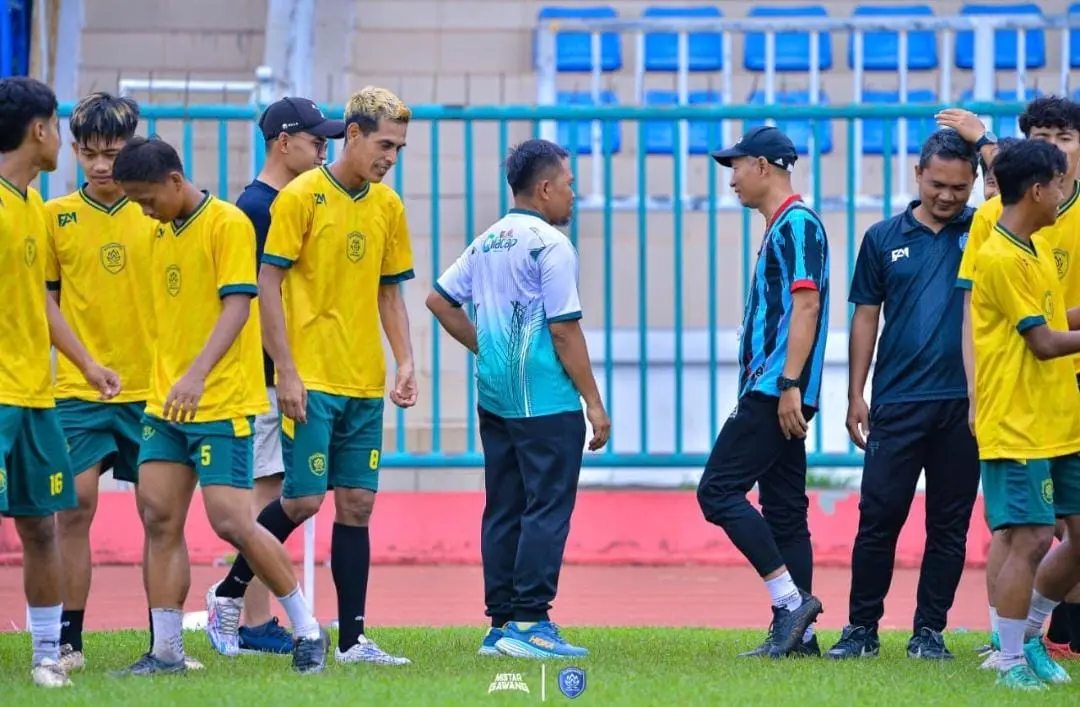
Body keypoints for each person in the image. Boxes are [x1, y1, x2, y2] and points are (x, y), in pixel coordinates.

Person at [204, 86, 416, 666]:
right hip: (311, 379)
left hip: (362, 381)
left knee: (358, 505)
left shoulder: (387, 206)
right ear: (352, 134)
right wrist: (288, 372)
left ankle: (352, 641)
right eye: (383, 144)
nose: (390, 157)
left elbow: (389, 289)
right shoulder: (299, 198)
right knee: (302, 501)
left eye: (398, 148)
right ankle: (227, 592)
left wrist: (404, 360)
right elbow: (266, 286)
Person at [109, 136, 328, 676]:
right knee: (158, 517)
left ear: (175, 181)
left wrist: (196, 376)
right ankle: (166, 652)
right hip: (165, 406)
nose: (143, 209)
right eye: (134, 202)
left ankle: (307, 628)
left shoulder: (227, 223)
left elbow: (237, 307)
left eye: (146, 198)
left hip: (222, 401)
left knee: (233, 522)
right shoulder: (158, 232)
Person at [426, 138, 611, 659]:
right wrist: (593, 403)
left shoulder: (488, 240)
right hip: (546, 398)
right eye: (570, 185)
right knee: (546, 505)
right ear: (546, 187)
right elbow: (565, 332)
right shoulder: (550, 245)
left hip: (496, 393)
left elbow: (438, 299)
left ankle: (501, 624)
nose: (574, 195)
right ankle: (531, 621)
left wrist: (485, 347)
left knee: (504, 506)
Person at [43, 91, 201, 674]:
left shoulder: (159, 210)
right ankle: (69, 640)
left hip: (153, 391)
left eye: (112, 152)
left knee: (162, 518)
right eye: (88, 153)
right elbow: (46, 303)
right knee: (74, 508)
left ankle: (166, 646)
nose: (101, 165)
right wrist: (85, 363)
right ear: (74, 151)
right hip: (80, 393)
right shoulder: (53, 217)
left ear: (133, 144)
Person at [826, 129, 989, 661]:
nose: (948, 196)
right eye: (938, 184)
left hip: (965, 408)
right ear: (917, 174)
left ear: (974, 185)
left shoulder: (986, 232)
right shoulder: (880, 238)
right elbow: (865, 316)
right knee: (879, 519)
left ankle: (929, 633)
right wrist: (855, 393)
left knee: (949, 525)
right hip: (896, 404)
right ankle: (860, 631)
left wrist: (984, 138)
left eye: (960, 188)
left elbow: (1016, 182)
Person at [0, 76, 122, 688]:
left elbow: (38, 307)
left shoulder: (27, 206)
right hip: (2, 398)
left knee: (42, 523)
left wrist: (84, 363)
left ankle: (48, 653)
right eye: (58, 127)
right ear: (41, 131)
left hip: (35, 397)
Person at [952, 97, 1080, 668]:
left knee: (1053, 533)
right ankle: (1008, 654)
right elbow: (1040, 339)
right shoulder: (999, 247)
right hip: (1019, 410)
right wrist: (977, 396)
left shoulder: (1042, 240)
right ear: (1036, 189)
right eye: (1054, 185)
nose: (1061, 191)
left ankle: (1027, 639)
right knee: (1024, 534)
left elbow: (1056, 319)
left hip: (1059, 407)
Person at [695, 125, 830, 659]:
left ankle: (789, 602)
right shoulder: (784, 225)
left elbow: (807, 305)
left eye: (737, 167)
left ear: (764, 166)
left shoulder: (797, 223)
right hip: (779, 386)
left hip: (777, 387)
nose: (731, 180)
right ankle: (803, 639)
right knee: (784, 508)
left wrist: (789, 385)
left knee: (717, 491)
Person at [224, 97, 344, 655]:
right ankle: (248, 619)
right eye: (316, 140)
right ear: (283, 142)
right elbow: (251, 298)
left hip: (279, 369)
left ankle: (249, 614)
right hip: (268, 372)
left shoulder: (279, 202)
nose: (325, 149)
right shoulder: (260, 208)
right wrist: (283, 369)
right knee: (264, 491)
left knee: (271, 487)